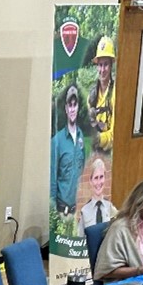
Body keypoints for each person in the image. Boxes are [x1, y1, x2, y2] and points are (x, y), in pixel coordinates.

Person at [50, 84, 85, 217]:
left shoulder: (81, 137)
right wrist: (54, 214)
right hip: (62, 212)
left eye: (74, 105)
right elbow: (52, 180)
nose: (72, 109)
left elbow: (83, 171)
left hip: (78, 212)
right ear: (65, 108)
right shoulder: (57, 141)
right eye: (69, 105)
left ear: (78, 107)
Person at [87, 36, 116, 154]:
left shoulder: (116, 94)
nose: (102, 69)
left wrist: (99, 139)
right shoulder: (92, 97)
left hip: (111, 155)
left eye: (106, 64)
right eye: (100, 65)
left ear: (111, 66)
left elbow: (115, 135)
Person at [78, 157, 117, 231]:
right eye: (96, 178)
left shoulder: (110, 207)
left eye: (101, 177)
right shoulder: (84, 211)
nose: (99, 182)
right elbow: (80, 237)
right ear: (91, 181)